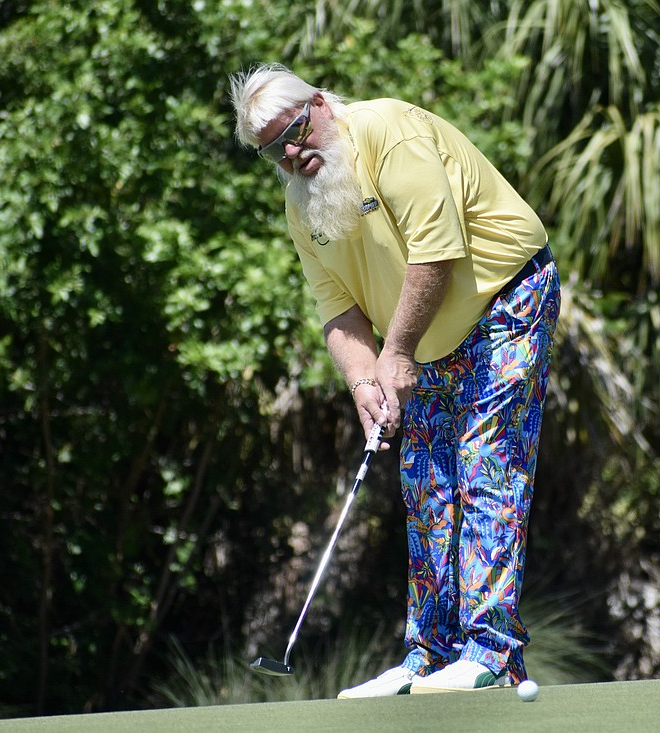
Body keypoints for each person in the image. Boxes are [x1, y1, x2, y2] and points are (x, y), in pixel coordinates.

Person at [229, 64, 560, 697]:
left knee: (486, 464)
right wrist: (365, 385)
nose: (291, 154)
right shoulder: (303, 203)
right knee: (427, 482)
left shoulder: (390, 133)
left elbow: (436, 251)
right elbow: (338, 308)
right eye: (272, 149)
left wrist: (398, 352)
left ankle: (492, 653)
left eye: (294, 131)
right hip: (427, 334)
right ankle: (429, 657)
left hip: (507, 298)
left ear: (320, 104)